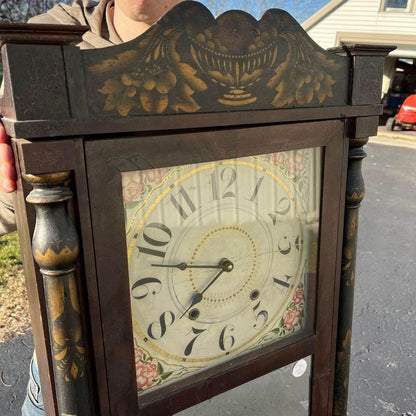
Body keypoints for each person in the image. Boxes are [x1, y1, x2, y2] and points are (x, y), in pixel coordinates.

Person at [0, 0, 187, 414]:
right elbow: (11, 205)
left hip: (184, 346)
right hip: (76, 359)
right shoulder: (43, 47)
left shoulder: (230, 58)